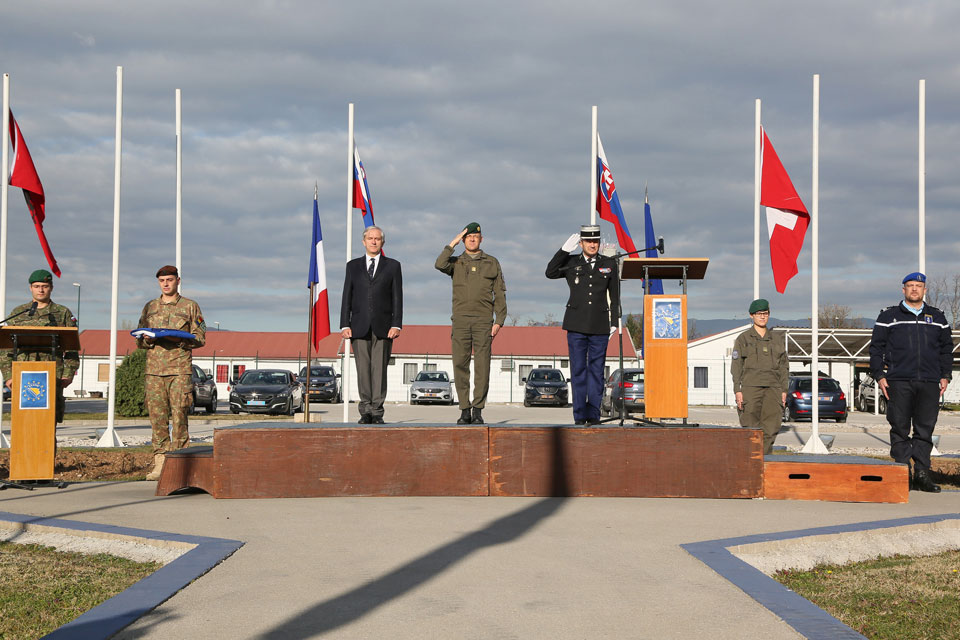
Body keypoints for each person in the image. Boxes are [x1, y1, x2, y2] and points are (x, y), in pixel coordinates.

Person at [869, 272, 952, 493]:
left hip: (929, 382)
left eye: (919, 285)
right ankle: (902, 472)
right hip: (898, 381)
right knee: (900, 428)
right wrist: (879, 375)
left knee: (925, 430)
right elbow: (876, 349)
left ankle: (922, 475)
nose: (914, 289)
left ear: (925, 290)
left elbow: (946, 349)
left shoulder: (938, 318)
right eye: (910, 285)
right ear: (903, 289)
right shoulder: (888, 317)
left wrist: (945, 376)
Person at [136, 265, 206, 480]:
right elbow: (139, 338)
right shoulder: (150, 307)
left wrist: (179, 339)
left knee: (179, 417)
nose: (166, 284)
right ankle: (160, 462)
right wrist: (146, 340)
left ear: (178, 281)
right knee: (157, 419)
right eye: (162, 280)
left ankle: (180, 463)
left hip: (179, 370)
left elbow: (200, 338)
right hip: (155, 372)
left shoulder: (190, 306)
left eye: (169, 280)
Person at [545, 225, 619, 425]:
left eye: (595, 241)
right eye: (588, 241)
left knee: (596, 372)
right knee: (578, 371)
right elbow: (550, 272)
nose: (592, 244)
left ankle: (593, 415)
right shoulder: (571, 262)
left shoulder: (609, 263)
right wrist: (563, 251)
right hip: (576, 324)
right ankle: (579, 416)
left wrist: (614, 322)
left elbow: (615, 295)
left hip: (600, 325)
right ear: (581, 243)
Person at [435, 222, 506, 425]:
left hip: (484, 321)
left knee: (482, 367)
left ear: (481, 239)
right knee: (460, 364)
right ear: (464, 240)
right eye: (468, 237)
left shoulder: (491, 262)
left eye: (476, 236)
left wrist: (499, 321)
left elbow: (500, 293)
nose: (472, 239)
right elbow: (439, 264)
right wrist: (453, 243)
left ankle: (478, 409)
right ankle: (464, 409)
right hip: (460, 321)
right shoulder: (456, 262)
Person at [341, 225, 403, 424]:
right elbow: (346, 297)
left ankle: (377, 412)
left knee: (379, 370)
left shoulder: (393, 266)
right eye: (370, 238)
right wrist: (344, 324)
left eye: (377, 239)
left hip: (384, 327)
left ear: (382, 242)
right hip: (358, 326)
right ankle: (365, 411)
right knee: (363, 370)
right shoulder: (352, 266)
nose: (374, 241)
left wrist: (397, 324)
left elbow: (397, 298)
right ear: (364, 241)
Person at [0, 269, 79, 424]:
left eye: (44, 286)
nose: (40, 290)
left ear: (51, 288)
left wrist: (68, 374)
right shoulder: (18, 313)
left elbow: (72, 347)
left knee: (48, 420)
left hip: (53, 373)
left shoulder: (62, 313)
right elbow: (6, 349)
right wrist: (8, 376)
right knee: (23, 420)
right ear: (31, 288)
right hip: (23, 374)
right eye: (36, 286)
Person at [731, 298, 788, 455]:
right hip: (750, 388)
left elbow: (784, 366)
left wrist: (784, 389)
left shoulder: (777, 339)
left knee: (771, 427)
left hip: (773, 388)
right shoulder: (743, 339)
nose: (762, 316)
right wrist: (738, 390)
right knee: (750, 427)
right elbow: (736, 366)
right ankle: (751, 462)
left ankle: (766, 460)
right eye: (759, 314)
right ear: (751, 316)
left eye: (765, 313)